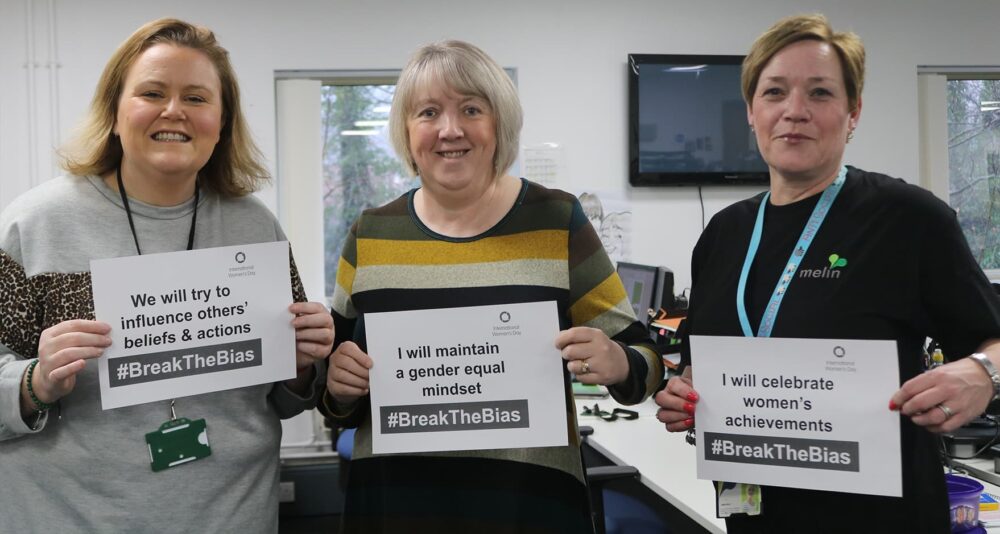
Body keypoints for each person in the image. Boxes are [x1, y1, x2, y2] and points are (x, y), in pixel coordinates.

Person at [654, 13, 1000, 533]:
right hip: (757, 517)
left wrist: (984, 374)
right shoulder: (724, 234)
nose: (795, 111)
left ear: (853, 112)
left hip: (883, 521)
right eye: (774, 92)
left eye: (819, 93)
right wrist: (683, 395)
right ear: (751, 111)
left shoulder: (908, 219)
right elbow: (699, 367)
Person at [0, 19, 334, 531]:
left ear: (222, 122)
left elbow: (284, 394)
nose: (174, 111)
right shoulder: (36, 225)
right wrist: (35, 381)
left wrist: (304, 365)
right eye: (152, 93)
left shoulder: (254, 227)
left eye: (196, 98)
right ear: (114, 112)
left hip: (233, 517)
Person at [321, 40, 663, 533]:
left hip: (528, 510)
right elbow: (334, 387)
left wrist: (618, 361)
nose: (450, 129)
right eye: (428, 112)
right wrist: (337, 385)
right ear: (407, 131)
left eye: (471, 109)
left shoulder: (556, 219)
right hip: (396, 507)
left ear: (498, 124)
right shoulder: (371, 232)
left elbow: (647, 362)